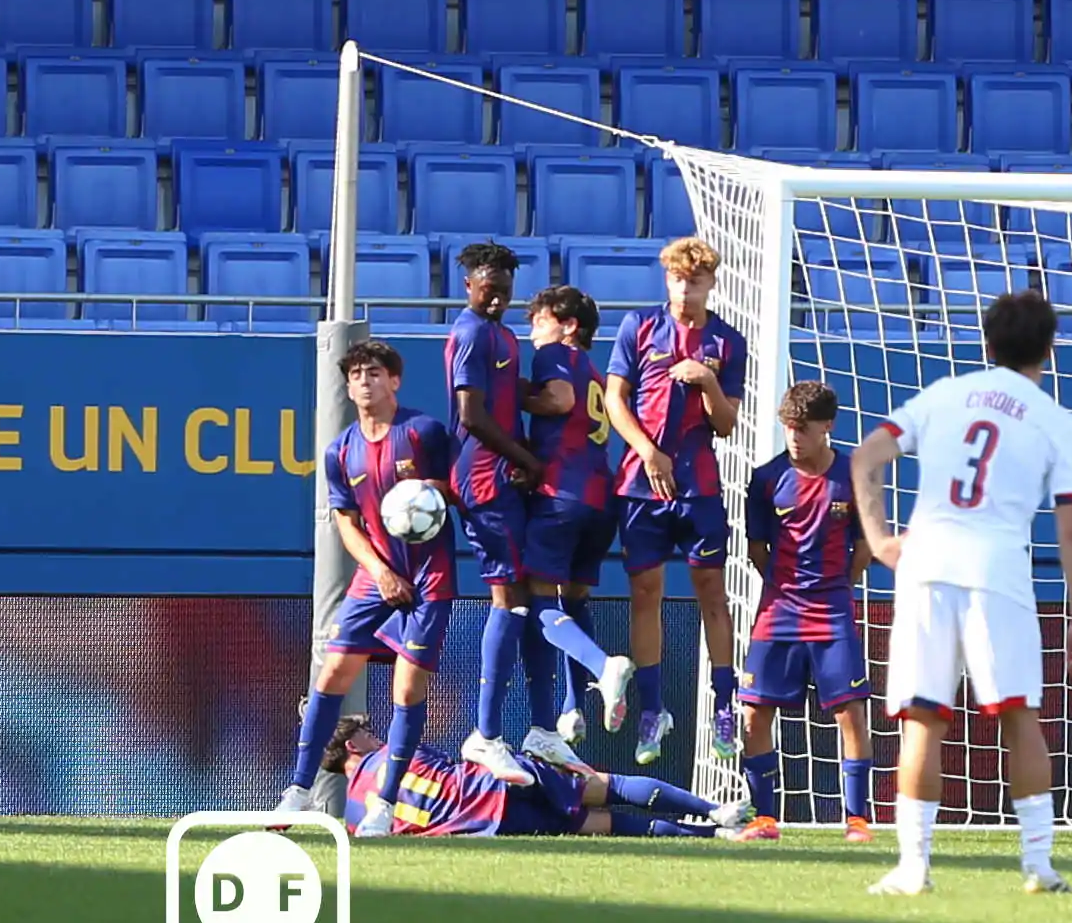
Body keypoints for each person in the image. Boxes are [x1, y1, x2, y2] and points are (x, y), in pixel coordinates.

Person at [851, 291, 1072, 896]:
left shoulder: (944, 395)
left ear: (986, 343)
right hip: (998, 572)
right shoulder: (1056, 420)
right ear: (1048, 348)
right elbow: (1070, 526)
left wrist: (881, 539)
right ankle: (1037, 866)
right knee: (1020, 716)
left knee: (922, 720)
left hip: (927, 565)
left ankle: (914, 869)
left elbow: (865, 457)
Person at [273, 340, 458, 839]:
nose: (364, 382)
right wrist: (379, 571)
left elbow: (458, 488)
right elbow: (346, 523)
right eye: (355, 374)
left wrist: (427, 495)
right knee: (332, 672)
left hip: (428, 577)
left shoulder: (423, 432)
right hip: (375, 575)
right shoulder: (340, 450)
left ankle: (385, 802)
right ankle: (298, 788)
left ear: (394, 381)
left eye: (374, 373)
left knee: (407, 687)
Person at [605, 236, 747, 766]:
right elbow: (615, 399)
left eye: (696, 280)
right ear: (666, 280)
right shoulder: (638, 327)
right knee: (646, 592)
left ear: (711, 284)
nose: (685, 289)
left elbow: (727, 424)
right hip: (641, 484)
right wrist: (646, 451)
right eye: (677, 279)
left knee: (712, 590)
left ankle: (726, 704)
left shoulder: (727, 341)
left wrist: (708, 380)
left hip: (699, 486)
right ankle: (653, 708)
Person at [734, 381, 875, 844]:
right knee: (753, 714)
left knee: (850, 712)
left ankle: (857, 820)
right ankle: (764, 817)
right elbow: (757, 549)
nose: (794, 437)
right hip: (779, 607)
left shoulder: (854, 475)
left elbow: (865, 545)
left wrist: (836, 587)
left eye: (803, 429)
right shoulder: (767, 478)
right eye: (788, 428)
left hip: (831, 609)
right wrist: (784, 586)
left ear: (827, 426)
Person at [443, 242, 556, 787]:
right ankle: (485, 735)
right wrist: (526, 459)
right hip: (485, 477)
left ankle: (538, 727)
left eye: (505, 292)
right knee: (508, 596)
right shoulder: (469, 333)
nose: (496, 299)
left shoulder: (503, 335)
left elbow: (514, 397)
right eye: (489, 289)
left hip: (505, 475)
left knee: (526, 594)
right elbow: (472, 414)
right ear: (469, 285)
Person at [520, 286, 635, 762]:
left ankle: (603, 666)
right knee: (575, 599)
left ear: (568, 326)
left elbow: (558, 399)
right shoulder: (594, 370)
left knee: (538, 599)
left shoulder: (557, 356)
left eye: (539, 320)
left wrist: (510, 394)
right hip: (599, 499)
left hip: (559, 496)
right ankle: (572, 707)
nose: (532, 332)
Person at [325, 717, 750, 838]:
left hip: (484, 822)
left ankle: (713, 837)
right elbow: (439, 764)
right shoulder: (392, 753)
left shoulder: (356, 816)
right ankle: (715, 811)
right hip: (493, 782)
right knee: (605, 787)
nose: (374, 732)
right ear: (352, 746)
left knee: (597, 824)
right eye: (364, 730)